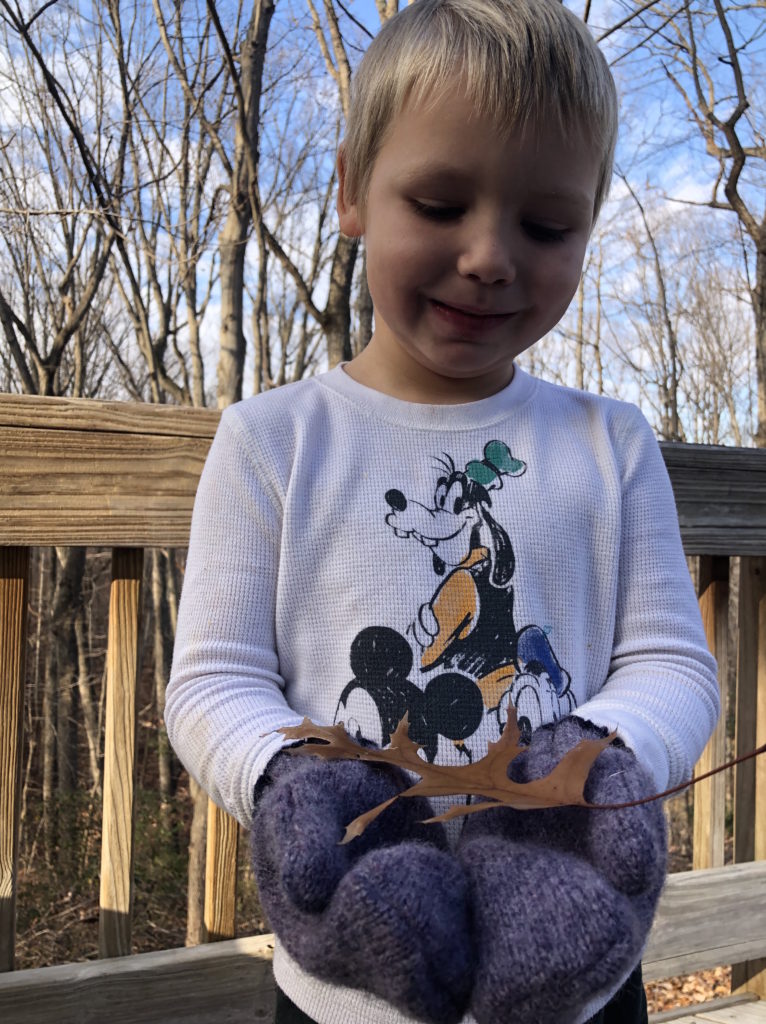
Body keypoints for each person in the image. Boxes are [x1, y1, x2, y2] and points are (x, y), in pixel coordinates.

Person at [165, 2, 720, 1022]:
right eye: (437, 202)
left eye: (545, 226)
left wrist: (593, 757)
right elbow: (211, 679)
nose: (489, 256)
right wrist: (291, 779)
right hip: (343, 989)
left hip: (580, 983)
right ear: (349, 192)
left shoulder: (609, 442)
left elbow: (673, 664)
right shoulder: (272, 440)